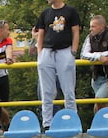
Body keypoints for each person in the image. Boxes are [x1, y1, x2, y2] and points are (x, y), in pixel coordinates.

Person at [35, 0, 81, 130]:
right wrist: (40, 53)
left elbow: (76, 31)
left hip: (65, 51)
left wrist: (73, 51)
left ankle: (72, 120)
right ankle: (47, 123)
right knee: (47, 91)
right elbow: (41, 33)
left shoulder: (70, 11)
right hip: (47, 52)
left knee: (68, 90)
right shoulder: (45, 13)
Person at [80, 15, 108, 113]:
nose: (90, 29)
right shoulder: (89, 37)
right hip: (96, 76)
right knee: (101, 103)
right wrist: (99, 57)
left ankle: (101, 124)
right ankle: (106, 124)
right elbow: (83, 55)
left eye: (93, 26)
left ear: (101, 26)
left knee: (99, 99)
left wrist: (93, 56)